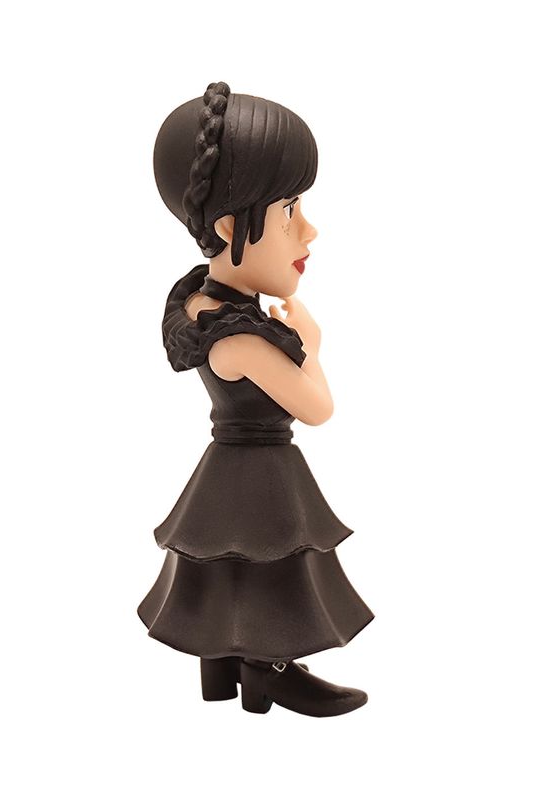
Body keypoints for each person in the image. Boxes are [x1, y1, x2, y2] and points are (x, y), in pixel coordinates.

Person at [138, 82, 374, 717]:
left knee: (231, 565)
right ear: (227, 227)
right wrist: (311, 345)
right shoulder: (239, 339)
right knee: (273, 570)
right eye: (289, 210)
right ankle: (268, 667)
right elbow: (317, 408)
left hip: (229, 470)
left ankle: (221, 666)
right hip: (262, 468)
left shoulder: (202, 304)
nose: (309, 230)